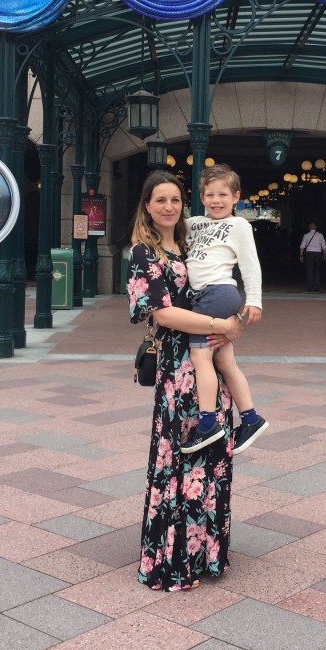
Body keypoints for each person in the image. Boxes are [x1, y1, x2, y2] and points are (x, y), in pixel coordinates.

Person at [127, 170, 243, 592]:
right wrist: (220, 325)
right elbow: (162, 313)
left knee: (211, 454)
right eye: (160, 200)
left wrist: (233, 321)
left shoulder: (192, 242)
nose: (169, 207)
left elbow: (224, 282)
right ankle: (174, 560)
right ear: (147, 205)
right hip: (179, 366)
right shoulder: (144, 252)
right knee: (179, 455)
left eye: (175, 199)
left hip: (209, 359)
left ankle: (206, 552)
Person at [183, 164, 268, 456]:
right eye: (209, 195)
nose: (216, 200)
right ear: (201, 197)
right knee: (225, 361)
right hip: (210, 295)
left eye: (223, 195)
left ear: (236, 197)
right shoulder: (194, 223)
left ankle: (207, 423)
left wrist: (254, 300)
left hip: (216, 293)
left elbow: (250, 264)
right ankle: (250, 418)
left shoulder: (239, 225)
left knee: (200, 357)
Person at [299, 221, 326, 292]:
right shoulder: (320, 235)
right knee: (317, 270)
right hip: (318, 254)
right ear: (316, 228)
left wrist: (301, 255)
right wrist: (324, 255)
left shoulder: (306, 235)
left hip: (309, 253)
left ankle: (310, 287)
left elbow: (302, 246)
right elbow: (324, 246)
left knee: (309, 270)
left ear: (309, 228)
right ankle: (316, 287)